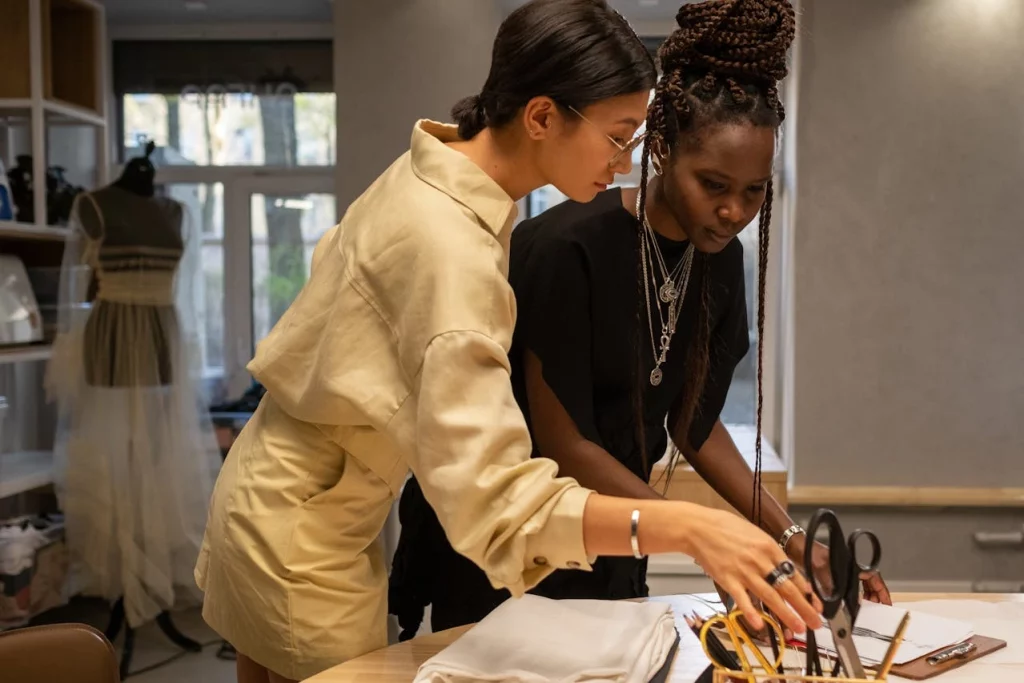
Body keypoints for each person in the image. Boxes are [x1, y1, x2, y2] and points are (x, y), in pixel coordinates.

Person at [195, 1, 822, 681]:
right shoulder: (456, 246)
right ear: (543, 117)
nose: (624, 162)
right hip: (303, 528)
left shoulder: (442, 175)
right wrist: (693, 528)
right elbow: (496, 499)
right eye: (617, 137)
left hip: (276, 494)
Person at [389, 0, 890, 639]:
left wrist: (789, 537)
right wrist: (706, 535)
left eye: (754, 190)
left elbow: (693, 423)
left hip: (621, 540)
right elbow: (567, 444)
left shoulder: (720, 261)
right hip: (513, 547)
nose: (735, 211)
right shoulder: (565, 247)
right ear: (661, 151)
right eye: (713, 184)